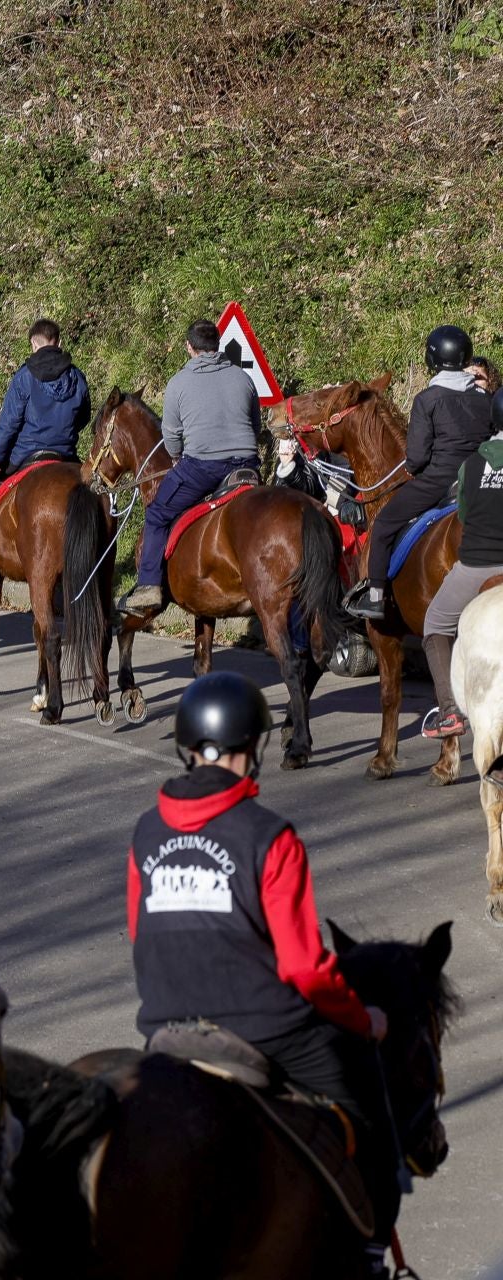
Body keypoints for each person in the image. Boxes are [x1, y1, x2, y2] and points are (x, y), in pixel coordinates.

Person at [126, 671, 398, 1276]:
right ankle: (369, 1251)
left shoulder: (146, 832)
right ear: (251, 748)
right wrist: (364, 1020)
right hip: (264, 1029)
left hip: (165, 1026)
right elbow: (304, 968)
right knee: (367, 1115)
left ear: (187, 747)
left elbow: (141, 933)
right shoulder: (270, 838)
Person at [348, 324, 499, 620]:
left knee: (384, 523)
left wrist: (414, 468)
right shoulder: (486, 399)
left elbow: (416, 458)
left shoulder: (427, 399)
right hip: (479, 479)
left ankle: (376, 596)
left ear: (433, 360)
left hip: (439, 481)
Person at [117, 319, 263, 617]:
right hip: (248, 467)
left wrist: (175, 457)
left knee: (157, 513)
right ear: (218, 345)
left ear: (189, 347)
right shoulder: (243, 377)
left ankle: (148, 586)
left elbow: (171, 435)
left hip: (203, 467)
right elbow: (256, 425)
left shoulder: (179, 383)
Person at [0, 318, 91, 569]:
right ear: (59, 342)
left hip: (25, 455)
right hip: (66, 455)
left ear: (33, 344)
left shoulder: (24, 377)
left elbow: (9, 423)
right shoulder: (77, 376)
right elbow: (84, 416)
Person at [418, 419, 503, 738]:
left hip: (476, 566)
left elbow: (464, 514)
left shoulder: (471, 464)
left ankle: (450, 712)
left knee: (435, 623)